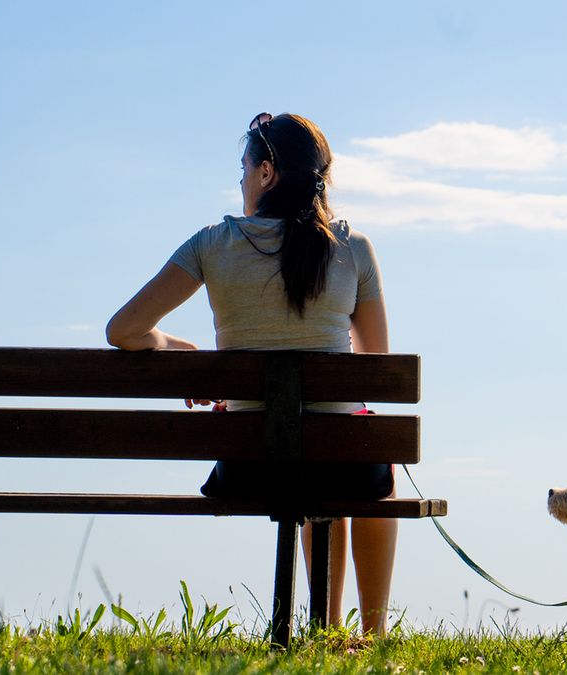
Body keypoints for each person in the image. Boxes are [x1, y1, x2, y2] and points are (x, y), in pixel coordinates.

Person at [105, 113, 397, 635]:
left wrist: (177, 349)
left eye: (243, 168)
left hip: (249, 465)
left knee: (315, 449)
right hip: (344, 467)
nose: (240, 179)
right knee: (353, 450)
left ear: (266, 173)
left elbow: (123, 330)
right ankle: (363, 636)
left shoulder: (213, 245)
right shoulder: (353, 249)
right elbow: (376, 369)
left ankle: (325, 625)